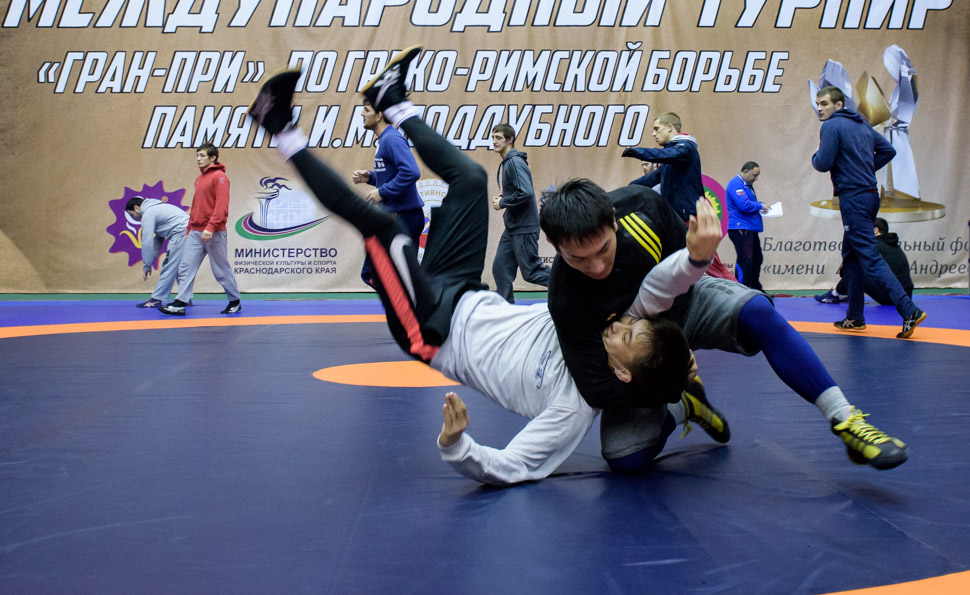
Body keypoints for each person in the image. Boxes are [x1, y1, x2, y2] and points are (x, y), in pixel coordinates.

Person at [246, 50, 728, 485]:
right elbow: (661, 286)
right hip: (465, 291)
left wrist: (458, 446)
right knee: (472, 178)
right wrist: (697, 258)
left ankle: (280, 128)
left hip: (432, 332)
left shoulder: (571, 410)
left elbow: (512, 464)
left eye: (627, 336)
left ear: (622, 373)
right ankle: (392, 99)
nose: (621, 322)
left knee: (384, 230)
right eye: (631, 325)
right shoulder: (611, 332)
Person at [541, 178, 909, 472]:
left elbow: (682, 279)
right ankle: (686, 406)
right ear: (555, 247)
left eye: (603, 250)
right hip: (642, 359)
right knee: (626, 460)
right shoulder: (565, 298)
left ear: (613, 220)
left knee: (758, 311)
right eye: (578, 259)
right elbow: (597, 388)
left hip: (679, 305)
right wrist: (672, 381)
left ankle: (845, 419)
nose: (596, 267)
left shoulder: (643, 208)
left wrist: (673, 341)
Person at [812, 86, 925, 337]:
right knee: (851, 257)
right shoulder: (862, 125)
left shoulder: (831, 126)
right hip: (870, 196)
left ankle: (909, 310)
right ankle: (854, 317)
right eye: (817, 104)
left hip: (853, 199)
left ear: (838, 105)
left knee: (870, 258)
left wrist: (816, 158)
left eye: (824, 104)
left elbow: (823, 162)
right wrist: (863, 169)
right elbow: (888, 151)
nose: (819, 108)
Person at [623, 112, 737, 283]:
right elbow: (652, 178)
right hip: (676, 219)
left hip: (690, 219)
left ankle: (745, 296)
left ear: (670, 128)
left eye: (656, 129)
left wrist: (637, 152)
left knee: (713, 266)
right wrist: (628, 189)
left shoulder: (686, 148)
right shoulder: (672, 155)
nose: (653, 134)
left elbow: (668, 155)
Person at [159, 143, 241, 316]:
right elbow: (196, 205)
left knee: (220, 270)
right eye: (197, 155)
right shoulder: (199, 178)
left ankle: (235, 301)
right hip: (195, 232)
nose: (198, 159)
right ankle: (180, 303)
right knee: (185, 268)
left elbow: (221, 206)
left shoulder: (220, 177)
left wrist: (210, 227)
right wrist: (189, 229)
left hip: (213, 232)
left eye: (202, 156)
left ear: (213, 158)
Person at [351, 97, 424, 287]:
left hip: (403, 216)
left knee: (377, 273)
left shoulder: (392, 139)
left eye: (366, 110)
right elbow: (394, 173)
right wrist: (370, 177)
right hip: (400, 215)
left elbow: (411, 172)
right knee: (396, 275)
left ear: (379, 115)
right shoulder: (385, 139)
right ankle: (411, 303)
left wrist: (382, 192)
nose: (362, 114)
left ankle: (414, 303)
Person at [489, 122, 550, 302]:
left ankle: (573, 285)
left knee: (532, 272)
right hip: (513, 227)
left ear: (510, 140)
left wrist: (503, 202)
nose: (494, 141)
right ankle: (505, 309)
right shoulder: (509, 162)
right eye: (493, 137)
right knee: (501, 268)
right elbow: (520, 190)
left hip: (524, 227)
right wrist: (506, 195)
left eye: (499, 138)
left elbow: (526, 192)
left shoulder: (514, 162)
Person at [815, 217, 914, 305]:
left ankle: (834, 295)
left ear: (875, 230)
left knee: (855, 270)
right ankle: (844, 293)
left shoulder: (874, 246)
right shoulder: (893, 245)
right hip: (906, 296)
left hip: (891, 298)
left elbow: (846, 270)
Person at [125, 197, 189, 309]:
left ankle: (156, 299)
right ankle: (185, 298)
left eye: (131, 215)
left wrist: (147, 265)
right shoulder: (157, 209)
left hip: (181, 232)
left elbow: (147, 241)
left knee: (169, 266)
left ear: (136, 208)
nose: (133, 218)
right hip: (189, 231)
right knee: (179, 267)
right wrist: (149, 263)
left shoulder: (148, 213)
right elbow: (158, 242)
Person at [725, 161, 769, 290]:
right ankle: (742, 290)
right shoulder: (735, 184)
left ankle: (755, 289)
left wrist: (760, 206)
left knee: (757, 258)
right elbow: (744, 205)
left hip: (748, 228)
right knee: (745, 260)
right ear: (745, 172)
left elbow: (749, 204)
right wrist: (760, 205)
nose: (756, 178)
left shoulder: (746, 185)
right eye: (754, 175)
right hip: (740, 228)